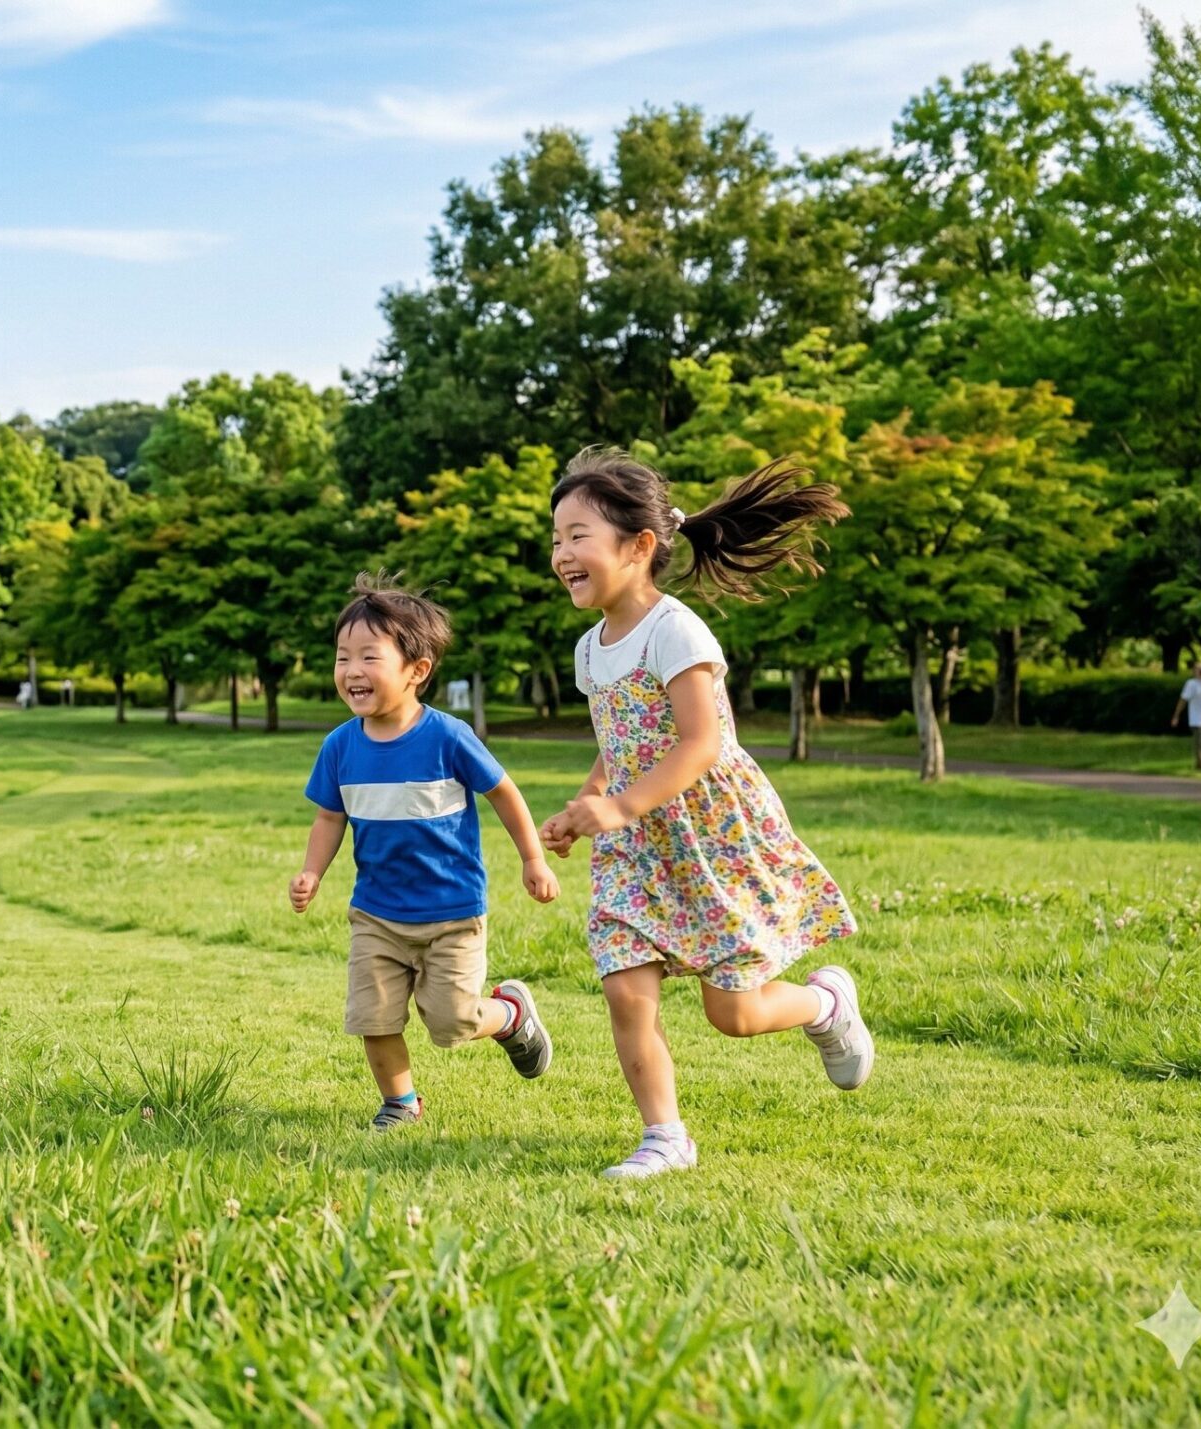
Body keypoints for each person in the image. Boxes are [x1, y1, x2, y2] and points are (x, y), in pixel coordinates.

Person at [535, 447, 869, 1181]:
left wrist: (620, 803)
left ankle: (823, 1003)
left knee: (735, 1013)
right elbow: (616, 745)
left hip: (708, 837)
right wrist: (587, 802)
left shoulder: (674, 629)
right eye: (556, 538)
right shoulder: (590, 650)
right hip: (635, 846)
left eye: (578, 535)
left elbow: (702, 741)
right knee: (625, 986)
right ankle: (665, 1135)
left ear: (640, 545)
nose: (562, 553)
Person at [289, 576, 561, 1133]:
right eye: (343, 657)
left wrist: (533, 859)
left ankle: (509, 1015)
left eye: (370, 656)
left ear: (417, 670)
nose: (352, 670)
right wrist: (312, 871)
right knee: (373, 1016)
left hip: (452, 912)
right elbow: (329, 816)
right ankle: (400, 1102)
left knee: (453, 1022)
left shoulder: (448, 737)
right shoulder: (340, 745)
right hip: (376, 913)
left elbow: (504, 793)